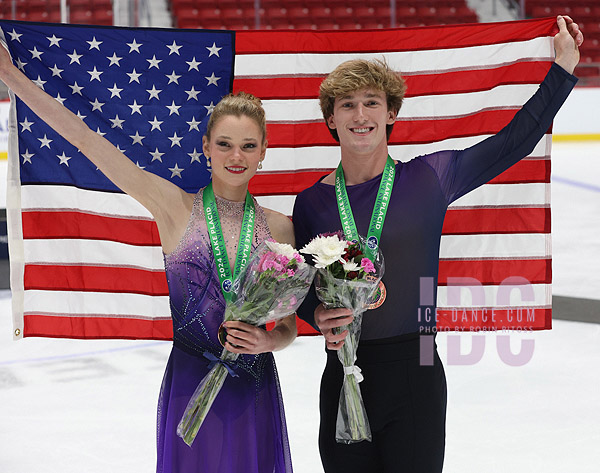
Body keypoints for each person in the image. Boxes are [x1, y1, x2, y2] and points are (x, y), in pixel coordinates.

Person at [292, 15, 583, 473]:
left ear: (392, 113)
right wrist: (316, 314)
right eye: (347, 105)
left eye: (372, 102)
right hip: (344, 371)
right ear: (331, 118)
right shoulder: (311, 203)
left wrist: (562, 70)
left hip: (418, 364)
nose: (360, 115)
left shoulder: (429, 178)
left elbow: (513, 143)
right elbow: (304, 290)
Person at [0, 43, 296, 472]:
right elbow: (87, 140)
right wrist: (10, 77)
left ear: (263, 152)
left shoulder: (281, 229)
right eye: (225, 144)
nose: (237, 156)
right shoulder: (174, 207)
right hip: (190, 380)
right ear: (205, 147)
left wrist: (270, 340)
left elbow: (287, 326)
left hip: (253, 386)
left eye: (248, 146)